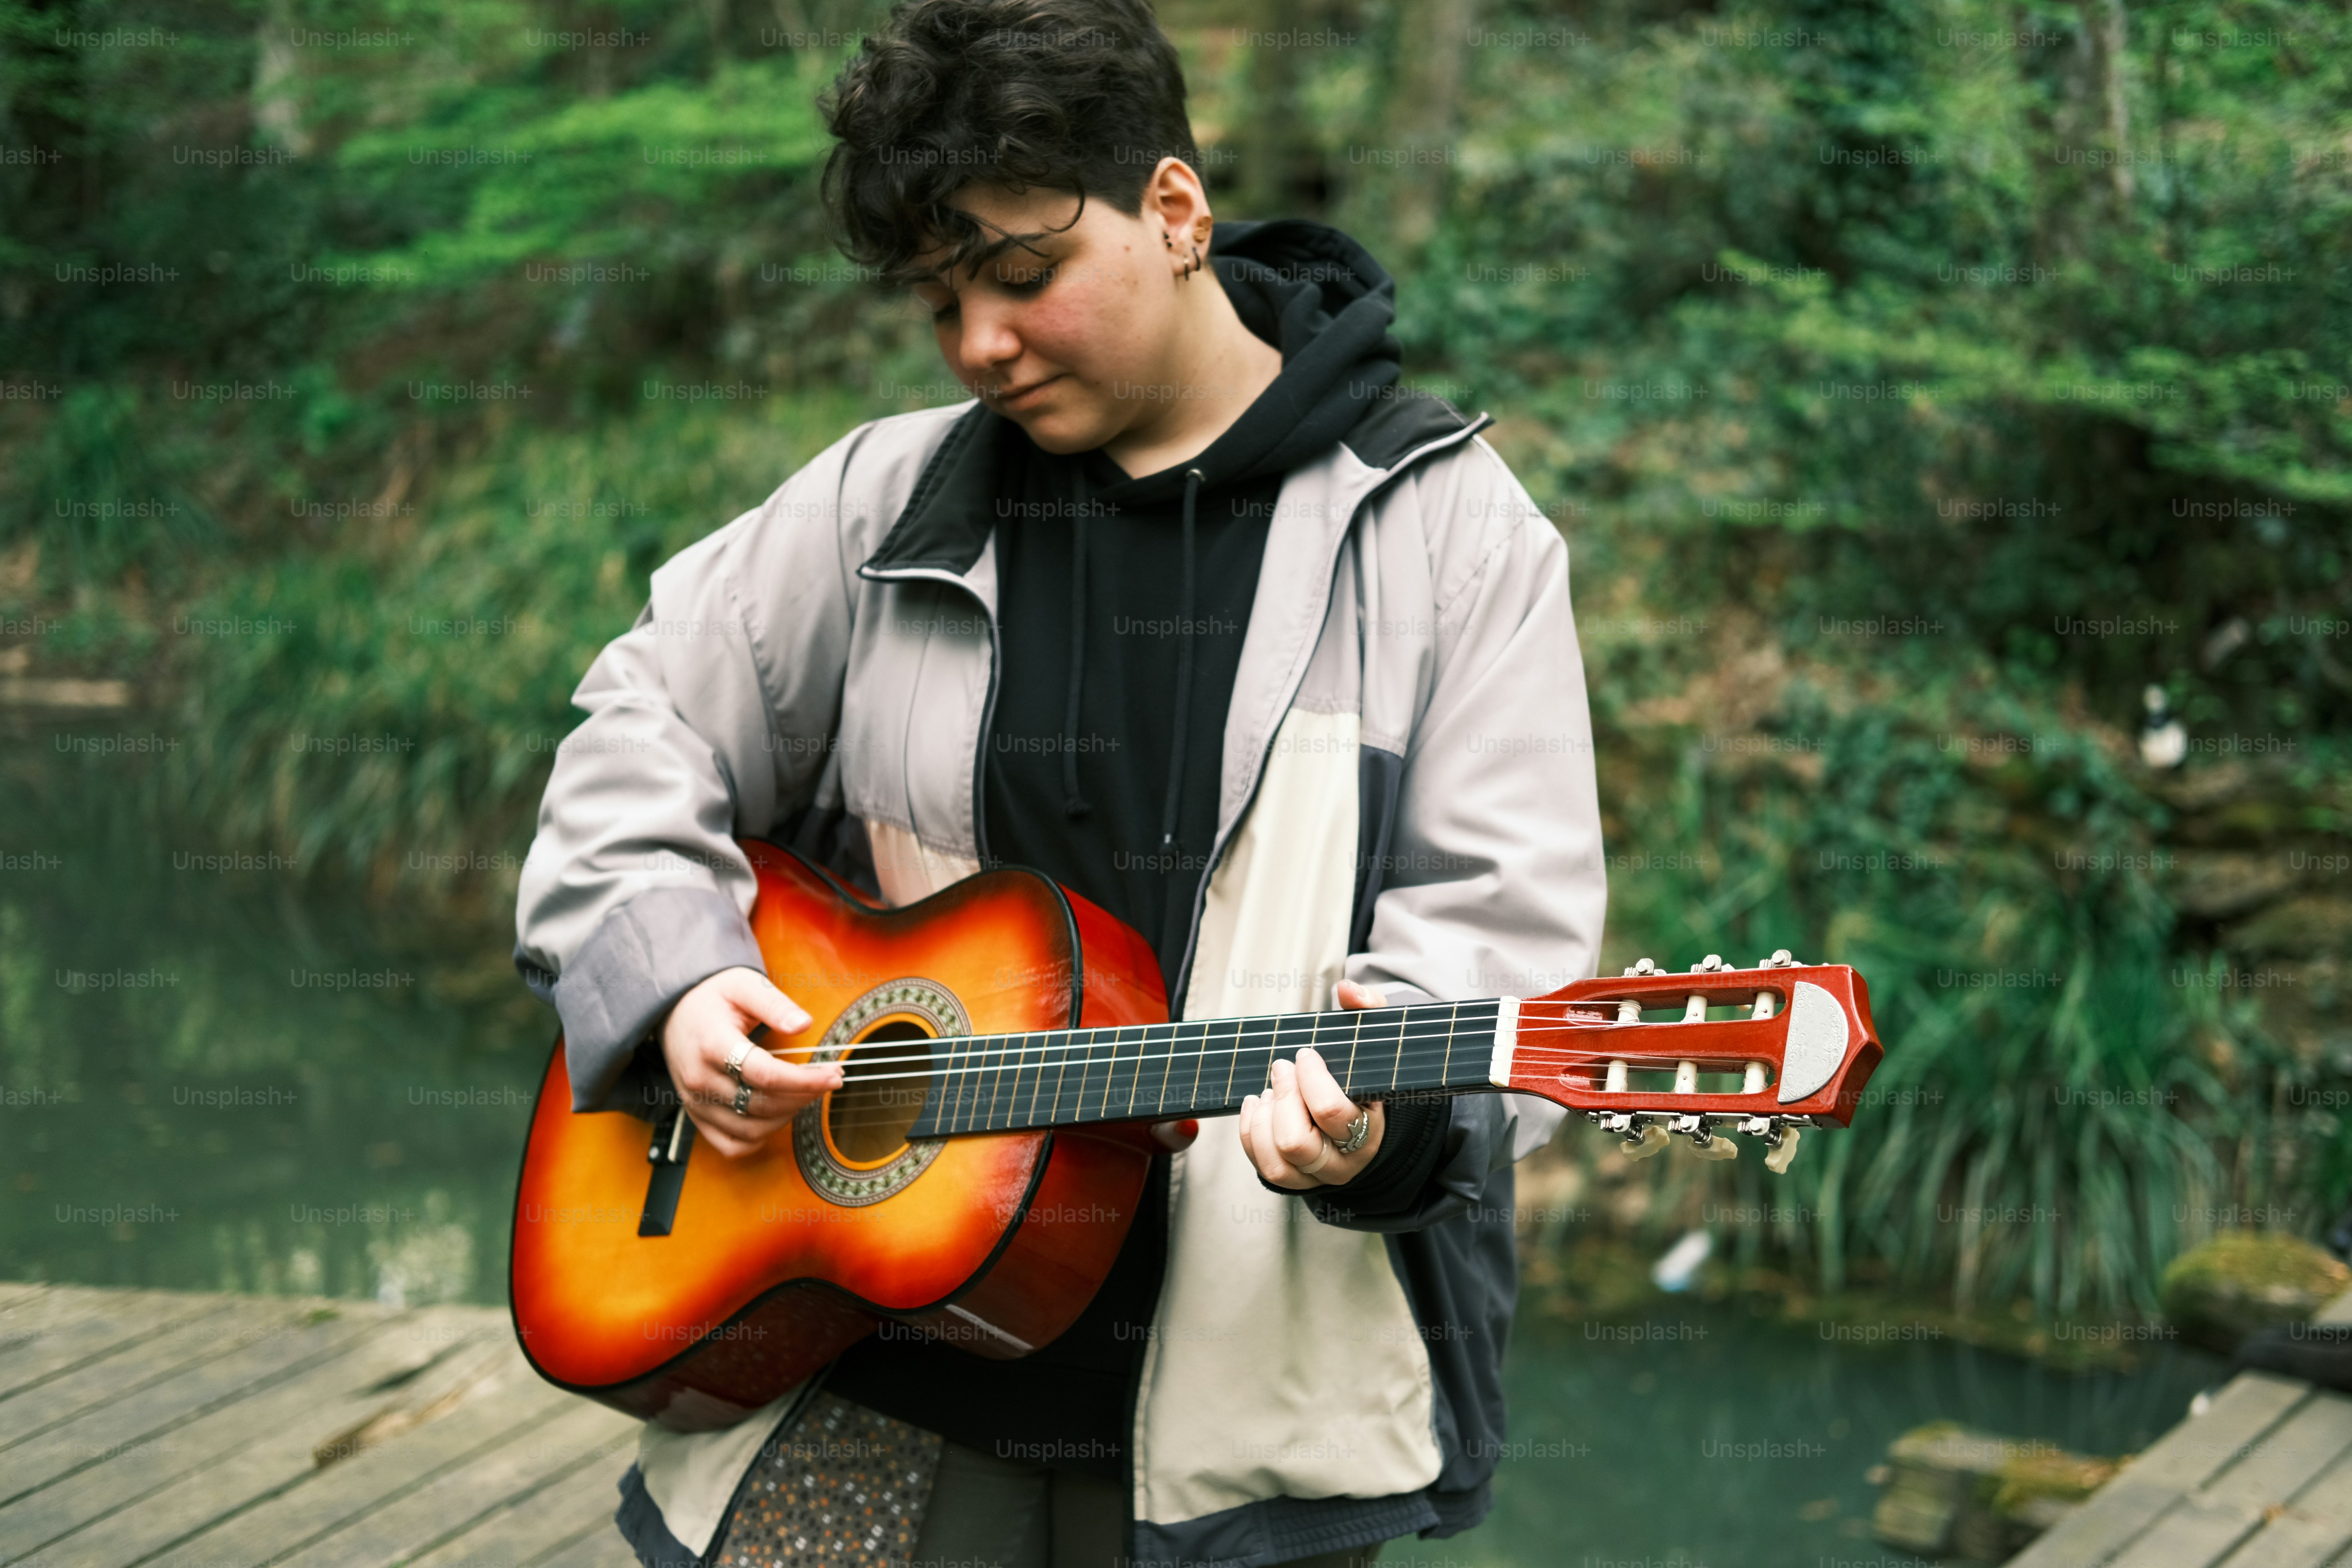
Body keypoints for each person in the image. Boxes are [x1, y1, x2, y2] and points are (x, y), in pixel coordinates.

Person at [512, 0, 1605, 1563]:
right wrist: (678, 980)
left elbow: (1502, 940)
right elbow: (643, 723)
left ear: (1175, 209)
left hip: (1244, 1414)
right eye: (938, 301)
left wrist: (1387, 1130)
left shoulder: (1446, 532)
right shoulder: (884, 496)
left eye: (1023, 275)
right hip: (861, 1358)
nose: (980, 344)